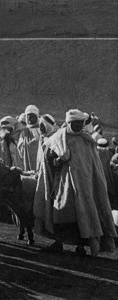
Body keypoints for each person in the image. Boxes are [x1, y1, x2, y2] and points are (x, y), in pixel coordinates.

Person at [35, 109, 117, 256]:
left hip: (85, 188)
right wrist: (58, 160)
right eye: (75, 123)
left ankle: (80, 246)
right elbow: (48, 158)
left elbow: (94, 168)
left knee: (82, 216)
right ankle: (58, 242)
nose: (78, 126)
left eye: (80, 123)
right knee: (62, 214)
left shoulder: (87, 140)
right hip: (63, 186)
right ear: (69, 123)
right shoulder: (59, 138)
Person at [17, 105, 42, 172]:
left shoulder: (41, 130)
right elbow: (20, 147)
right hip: (27, 160)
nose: (30, 119)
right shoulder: (24, 131)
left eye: (32, 117)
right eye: (28, 116)